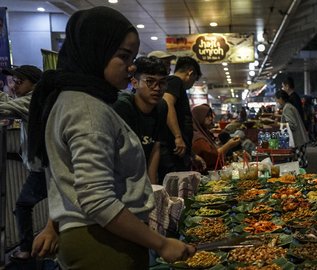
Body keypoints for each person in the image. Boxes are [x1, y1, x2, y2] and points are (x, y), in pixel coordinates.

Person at [26, 7, 195, 269]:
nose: (131, 67)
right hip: (104, 243)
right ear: (96, 51)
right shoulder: (87, 111)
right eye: (123, 56)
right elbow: (97, 199)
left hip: (103, 236)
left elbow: (69, 180)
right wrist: (161, 244)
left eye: (132, 57)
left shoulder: (78, 100)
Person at [0, 65, 46, 262]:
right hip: (44, 168)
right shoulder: (35, 99)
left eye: (20, 82)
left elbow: (4, 109)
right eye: (14, 82)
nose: (15, 86)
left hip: (44, 169)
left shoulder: (32, 101)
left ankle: (27, 250)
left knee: (22, 206)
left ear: (34, 84)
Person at [113, 56, 169, 184]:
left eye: (162, 82)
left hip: (143, 175)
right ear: (134, 82)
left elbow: (155, 147)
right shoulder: (122, 106)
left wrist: (153, 187)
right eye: (150, 81)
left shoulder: (162, 106)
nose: (157, 88)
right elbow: (121, 155)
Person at [159, 56, 204, 180]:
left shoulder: (174, 83)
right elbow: (167, 103)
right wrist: (178, 137)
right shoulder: (175, 81)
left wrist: (192, 154)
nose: (192, 84)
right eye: (194, 79)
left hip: (177, 151)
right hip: (172, 151)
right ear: (190, 73)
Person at [191, 104, 241, 171]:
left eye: (211, 115)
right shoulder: (198, 138)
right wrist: (229, 145)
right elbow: (213, 157)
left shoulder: (205, 133)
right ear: (199, 117)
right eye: (207, 116)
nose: (211, 118)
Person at [275, 90, 309, 168]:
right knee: (301, 165)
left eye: (277, 99)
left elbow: (292, 125)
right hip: (301, 139)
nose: (277, 101)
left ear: (280, 98)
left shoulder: (287, 108)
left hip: (297, 140)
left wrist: (278, 124)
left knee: (298, 166)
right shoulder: (289, 106)